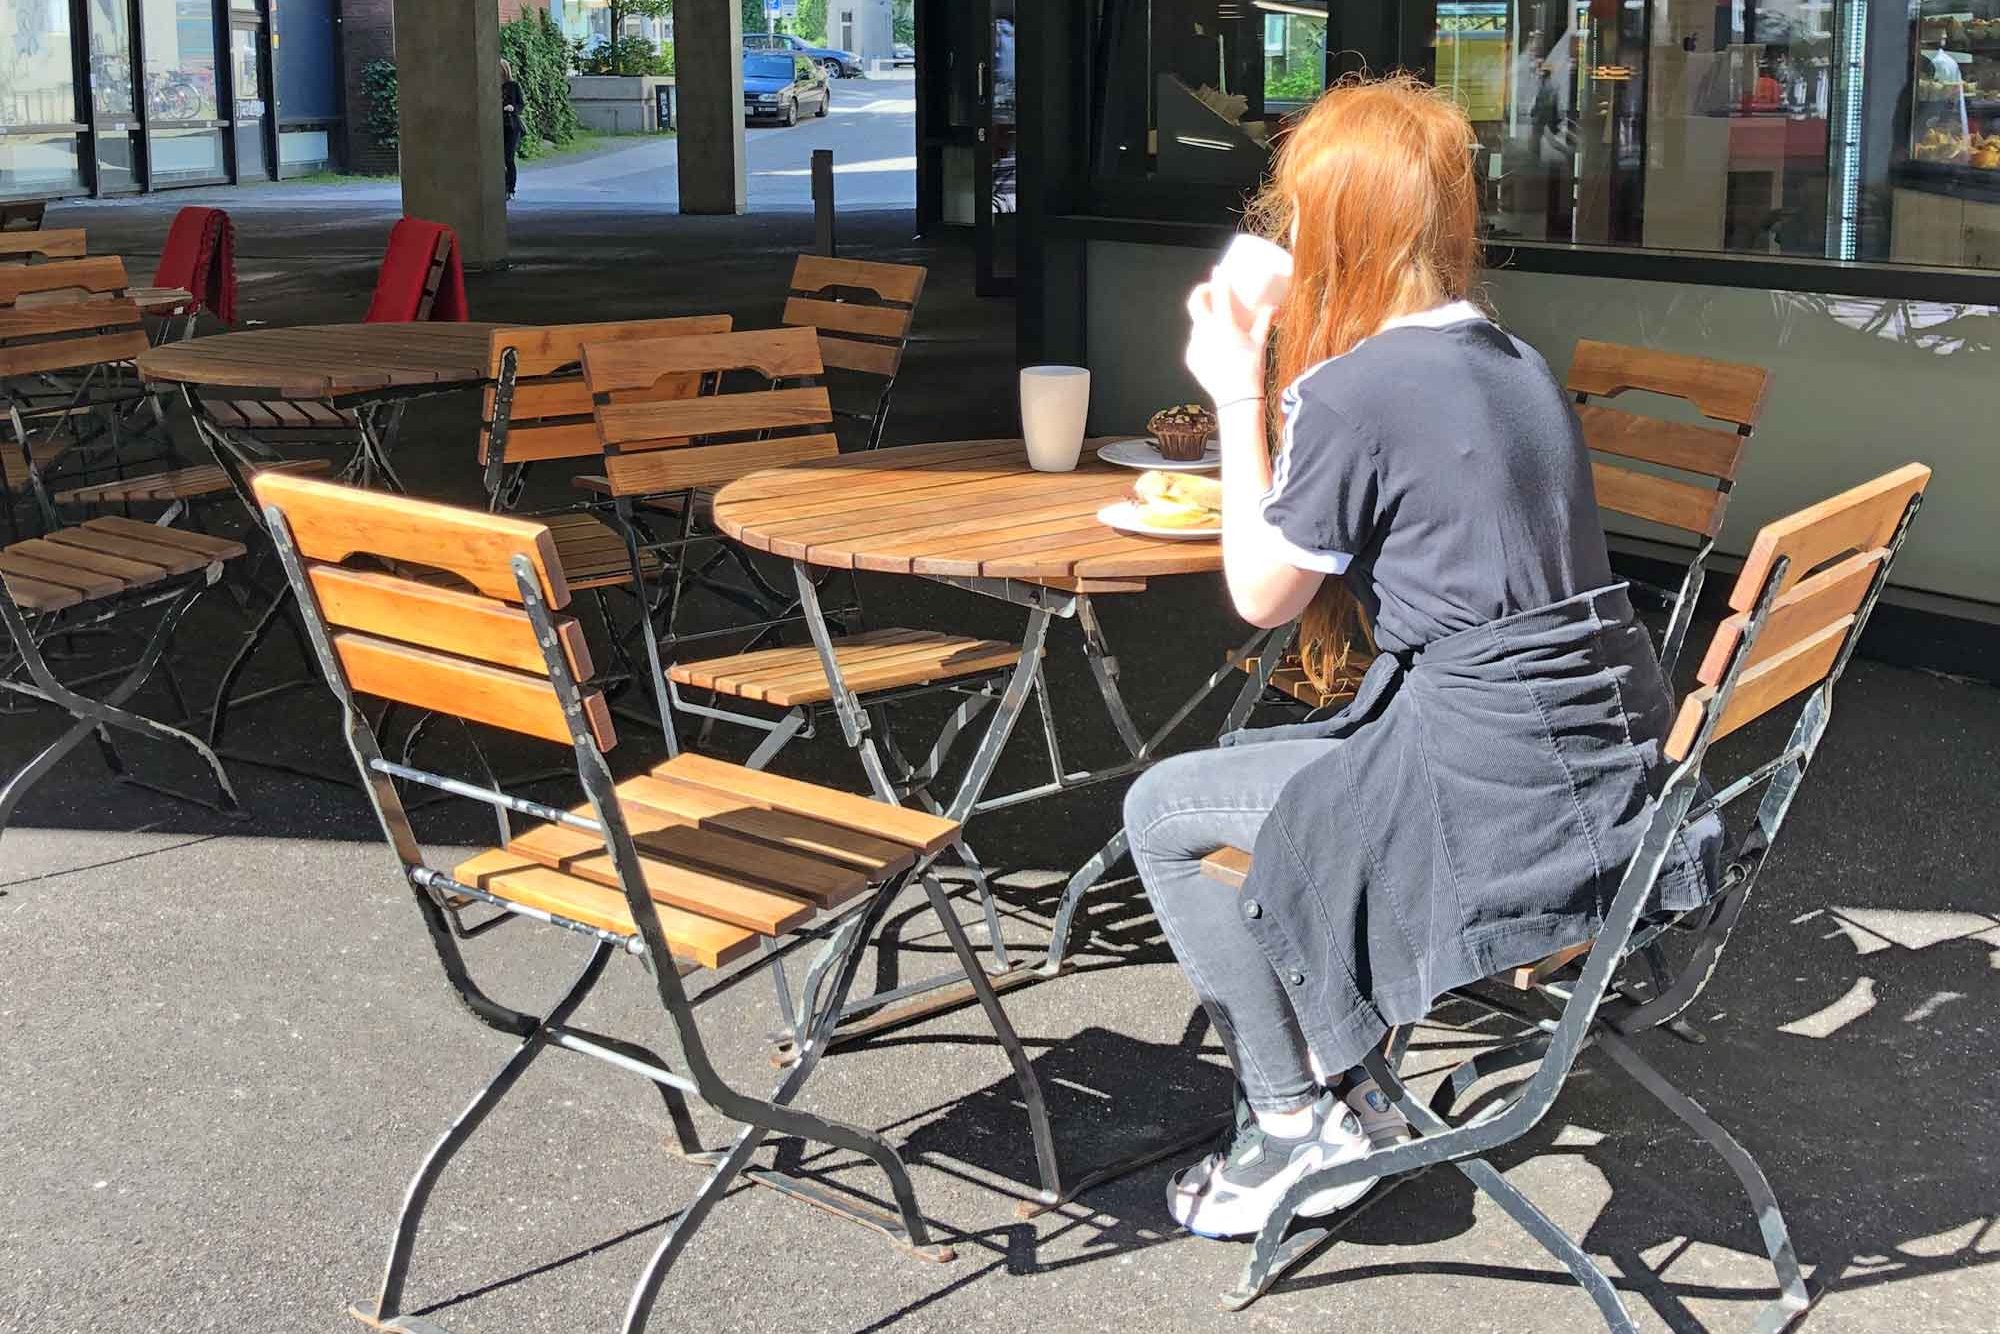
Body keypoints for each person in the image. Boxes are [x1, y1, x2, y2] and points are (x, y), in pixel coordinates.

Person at [1123, 75, 1720, 1241]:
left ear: (1330, 232)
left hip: (1489, 796)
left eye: (1294, 220)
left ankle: (1295, 1112)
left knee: (1162, 811)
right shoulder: (1510, 362)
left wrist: (1237, 391)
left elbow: (1258, 594)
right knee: (1258, 774)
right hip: (1594, 776)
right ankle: (1344, 1089)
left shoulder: (1361, 389)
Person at [500, 59, 524, 200]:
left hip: (511, 125)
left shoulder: (513, 86)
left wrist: (513, 108)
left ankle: (511, 188)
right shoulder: (491, 85)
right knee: (498, 159)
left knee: (508, 157)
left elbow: (521, 104)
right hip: (497, 125)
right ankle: (502, 186)